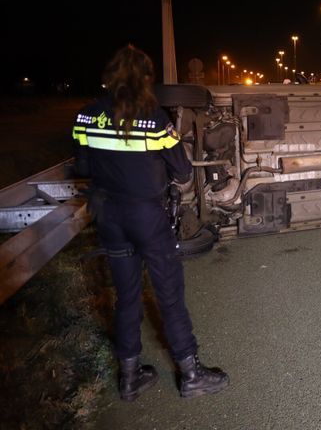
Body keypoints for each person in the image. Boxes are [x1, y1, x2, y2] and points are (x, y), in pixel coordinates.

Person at [72, 45, 229, 401]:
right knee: (168, 294)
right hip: (146, 216)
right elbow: (184, 171)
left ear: (109, 77)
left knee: (127, 296)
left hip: (108, 215)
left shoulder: (85, 116)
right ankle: (190, 375)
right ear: (145, 79)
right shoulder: (154, 119)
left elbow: (81, 167)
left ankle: (129, 378)